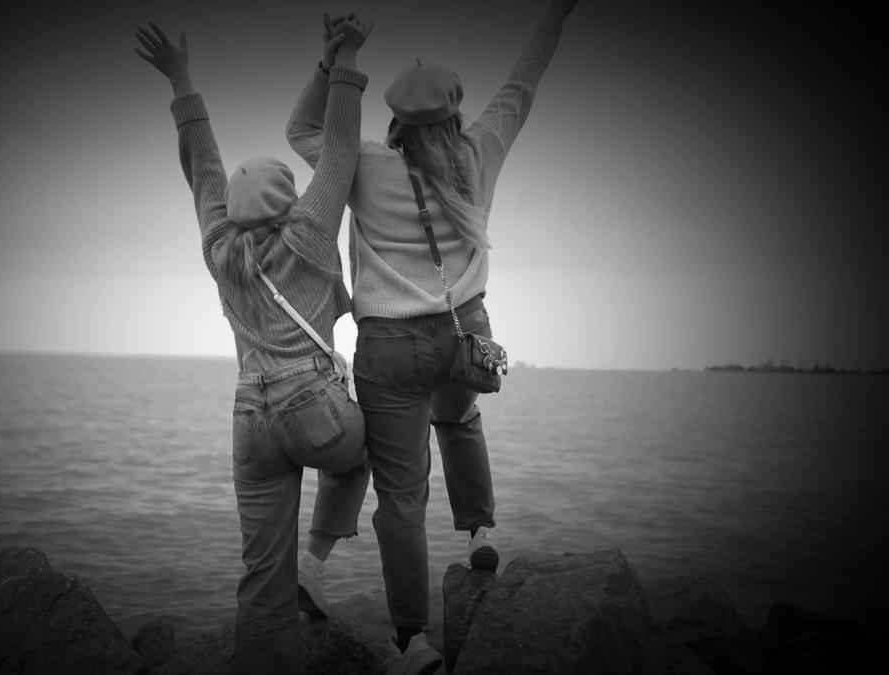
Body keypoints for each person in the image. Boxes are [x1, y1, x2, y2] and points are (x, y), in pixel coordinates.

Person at [286, 1, 580, 671]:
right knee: (461, 415)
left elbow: (300, 127)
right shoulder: (482, 147)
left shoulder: (361, 161)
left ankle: (412, 639)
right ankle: (479, 528)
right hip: (464, 333)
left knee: (402, 498)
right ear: (453, 111)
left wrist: (331, 58)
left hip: (389, 346)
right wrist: (555, 15)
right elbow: (524, 80)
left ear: (393, 118)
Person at [134, 16, 374, 674]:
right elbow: (342, 153)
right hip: (315, 407)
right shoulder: (309, 232)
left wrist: (182, 81)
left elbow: (205, 167)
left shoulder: (220, 245)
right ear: (288, 201)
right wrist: (345, 61)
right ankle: (319, 559)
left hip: (249, 418)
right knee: (370, 445)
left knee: (260, 581)